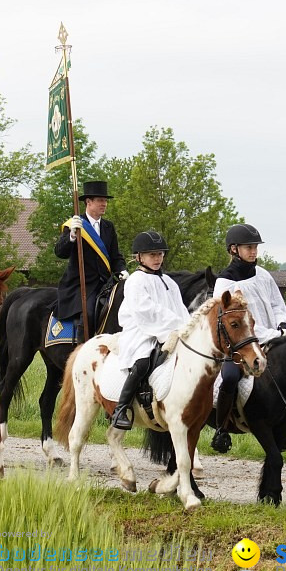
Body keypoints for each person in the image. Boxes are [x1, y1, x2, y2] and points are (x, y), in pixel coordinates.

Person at [210, 223, 286, 452]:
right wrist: (270, 335)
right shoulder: (225, 283)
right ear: (233, 250)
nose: (254, 251)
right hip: (243, 343)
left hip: (276, 336)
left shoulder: (263, 274)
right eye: (248, 247)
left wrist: (284, 326)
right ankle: (221, 428)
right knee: (229, 376)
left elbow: (277, 304)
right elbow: (232, 322)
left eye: (255, 247)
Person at [111, 231, 190, 430]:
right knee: (142, 361)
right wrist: (173, 324)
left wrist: (188, 326)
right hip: (141, 330)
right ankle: (121, 408)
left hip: (171, 329)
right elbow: (146, 310)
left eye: (160, 254)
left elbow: (180, 308)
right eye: (152, 255)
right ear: (139, 257)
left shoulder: (169, 282)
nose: (157, 259)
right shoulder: (135, 280)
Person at [54, 180, 124, 338]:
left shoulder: (108, 227)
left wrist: (122, 270)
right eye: (100, 200)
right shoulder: (74, 225)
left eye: (105, 201)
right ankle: (82, 350)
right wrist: (72, 235)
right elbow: (60, 252)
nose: (104, 204)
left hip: (106, 283)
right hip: (82, 284)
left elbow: (115, 256)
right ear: (88, 202)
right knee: (88, 314)